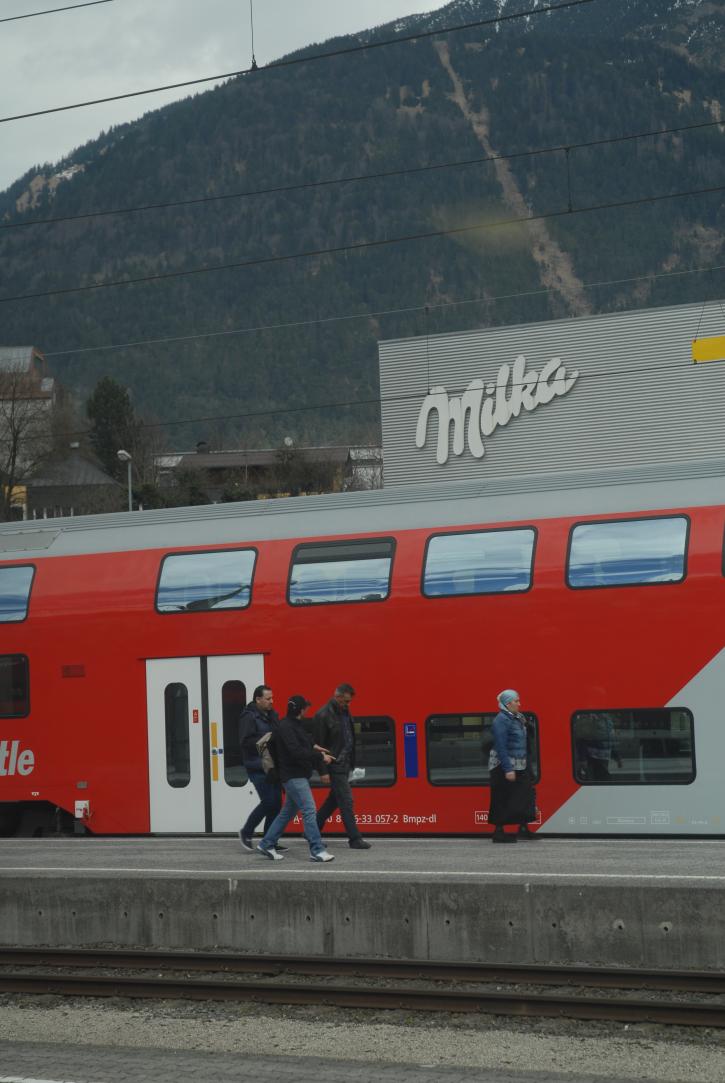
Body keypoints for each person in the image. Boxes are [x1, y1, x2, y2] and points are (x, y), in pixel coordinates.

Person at [257, 695, 336, 863]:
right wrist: (320, 757)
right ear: (301, 710)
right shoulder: (287, 726)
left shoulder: (291, 724)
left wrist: (315, 747)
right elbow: (295, 751)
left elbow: (303, 741)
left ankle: (267, 843)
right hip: (293, 775)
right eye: (305, 708)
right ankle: (317, 850)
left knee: (287, 813)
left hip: (295, 775)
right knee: (309, 810)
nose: (307, 710)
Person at [314, 683, 371, 850]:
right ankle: (355, 838)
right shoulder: (323, 715)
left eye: (349, 701)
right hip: (334, 763)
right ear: (337, 696)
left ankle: (312, 830)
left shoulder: (344, 711)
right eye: (345, 701)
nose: (348, 704)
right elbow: (318, 745)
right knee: (346, 800)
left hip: (345, 763)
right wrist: (323, 771)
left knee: (333, 800)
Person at [488, 689, 539, 843]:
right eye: (516, 701)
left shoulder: (518, 717)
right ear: (508, 703)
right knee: (502, 796)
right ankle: (498, 832)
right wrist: (508, 769)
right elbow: (501, 746)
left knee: (525, 794)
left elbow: (526, 738)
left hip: (520, 763)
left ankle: (523, 828)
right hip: (502, 765)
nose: (519, 704)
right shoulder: (501, 720)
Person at [238, 684, 284, 852]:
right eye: (268, 698)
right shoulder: (248, 717)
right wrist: (265, 739)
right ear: (258, 699)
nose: (272, 701)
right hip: (256, 766)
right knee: (269, 801)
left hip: (272, 766)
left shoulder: (273, 715)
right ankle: (246, 831)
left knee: (277, 803)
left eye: (272, 698)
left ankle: (270, 840)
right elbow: (245, 742)